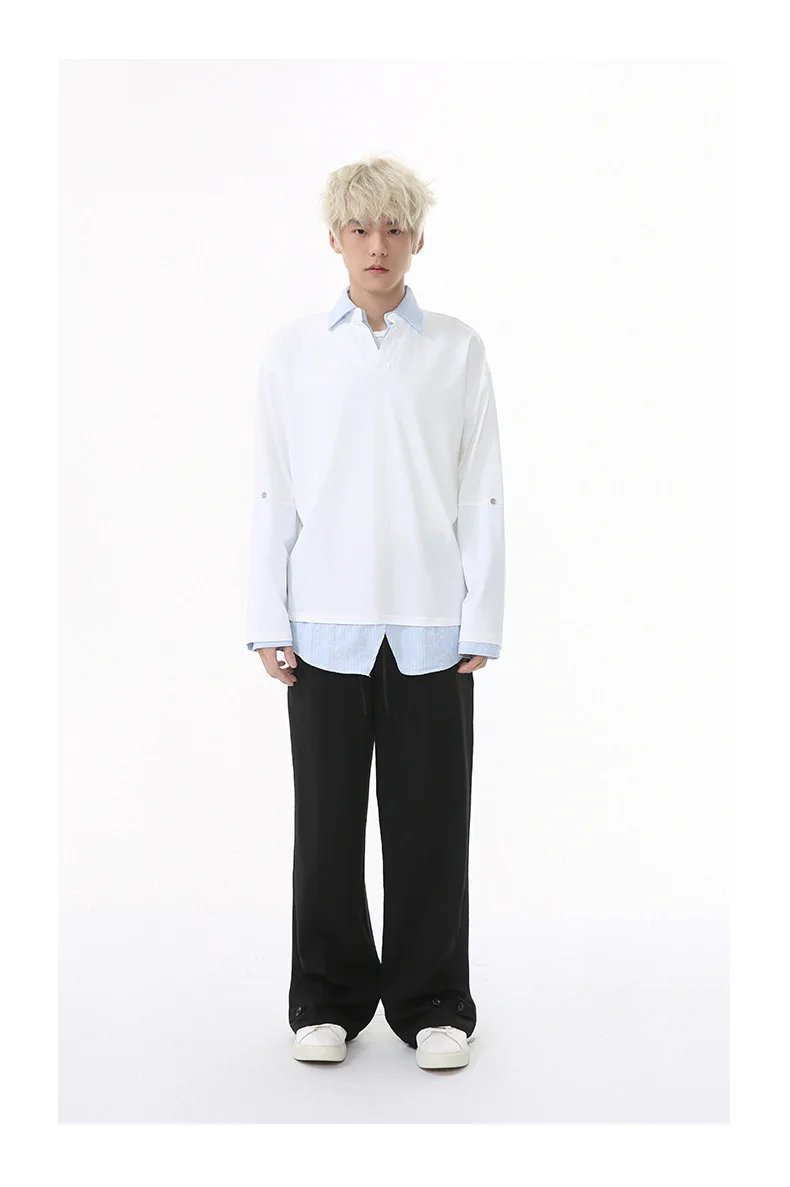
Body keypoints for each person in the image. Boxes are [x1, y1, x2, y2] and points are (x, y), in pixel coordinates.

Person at [245, 155, 506, 1071]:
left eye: (394, 228)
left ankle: (435, 1003)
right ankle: (325, 1000)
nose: (377, 245)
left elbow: (481, 488)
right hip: (323, 625)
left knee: (431, 825)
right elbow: (274, 490)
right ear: (335, 239)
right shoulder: (293, 353)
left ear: (418, 238)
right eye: (360, 229)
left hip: (432, 625)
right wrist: (267, 614)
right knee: (325, 827)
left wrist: (483, 615)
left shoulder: (458, 350)